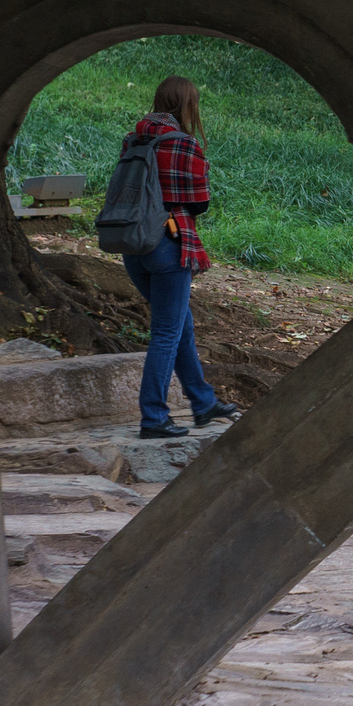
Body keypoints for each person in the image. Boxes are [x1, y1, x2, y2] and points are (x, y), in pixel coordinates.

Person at [124, 77, 243, 440]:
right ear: (187, 104)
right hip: (169, 245)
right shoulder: (182, 144)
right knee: (165, 333)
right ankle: (153, 418)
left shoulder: (134, 138)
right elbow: (199, 202)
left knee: (181, 326)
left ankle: (203, 403)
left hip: (134, 245)